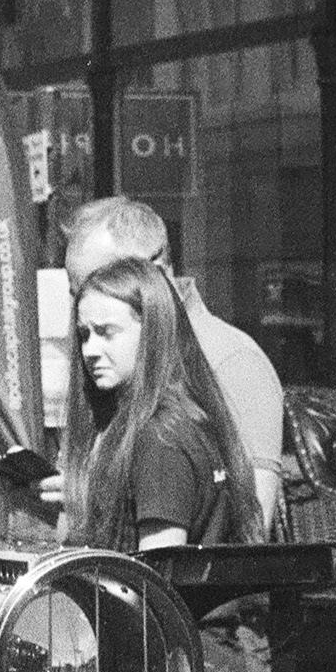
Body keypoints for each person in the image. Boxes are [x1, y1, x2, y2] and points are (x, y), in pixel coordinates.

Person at [63, 194, 285, 534]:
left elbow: (251, 525)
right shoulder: (114, 367)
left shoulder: (234, 361)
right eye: (76, 291)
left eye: (105, 281)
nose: (86, 301)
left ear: (153, 270)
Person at [60, 257, 239, 554]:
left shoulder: (159, 437)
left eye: (106, 332)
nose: (89, 350)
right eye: (84, 334)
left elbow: (155, 578)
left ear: (152, 331)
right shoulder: (174, 419)